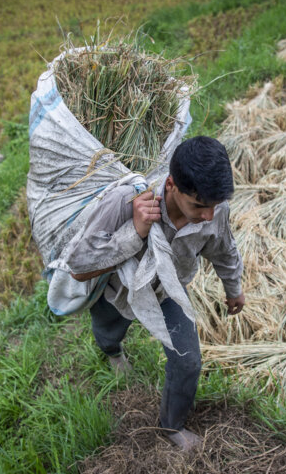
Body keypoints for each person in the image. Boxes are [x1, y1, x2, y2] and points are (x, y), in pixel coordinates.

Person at [66, 136, 245, 451]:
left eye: (214, 206)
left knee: (188, 362)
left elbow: (224, 249)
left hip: (168, 291)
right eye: (199, 206)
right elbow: (80, 266)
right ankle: (113, 354)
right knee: (108, 332)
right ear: (172, 185)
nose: (208, 215)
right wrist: (135, 231)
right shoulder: (126, 200)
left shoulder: (215, 209)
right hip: (118, 292)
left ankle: (171, 425)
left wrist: (234, 289)